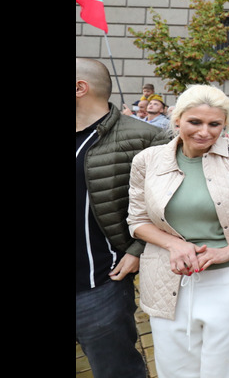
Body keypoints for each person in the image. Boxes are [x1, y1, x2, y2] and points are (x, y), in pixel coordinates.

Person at [128, 84, 229, 378]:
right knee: (176, 369)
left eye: (214, 124)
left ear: (225, 124)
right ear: (178, 119)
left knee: (228, 369)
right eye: (194, 122)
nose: (204, 132)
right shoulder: (147, 160)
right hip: (166, 280)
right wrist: (174, 245)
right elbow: (137, 220)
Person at [76, 58, 169, 378]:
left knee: (116, 370)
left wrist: (136, 251)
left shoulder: (145, 138)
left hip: (100, 284)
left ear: (80, 88)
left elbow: (170, 207)